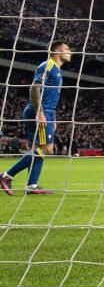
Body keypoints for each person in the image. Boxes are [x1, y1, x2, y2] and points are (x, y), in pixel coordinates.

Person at [1, 40, 73, 195]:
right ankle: (6, 176)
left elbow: (50, 96)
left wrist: (52, 118)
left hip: (47, 111)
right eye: (66, 49)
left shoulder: (57, 71)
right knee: (46, 149)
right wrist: (40, 112)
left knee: (41, 149)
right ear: (56, 51)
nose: (70, 52)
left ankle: (32, 186)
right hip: (38, 111)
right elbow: (34, 88)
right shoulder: (48, 66)